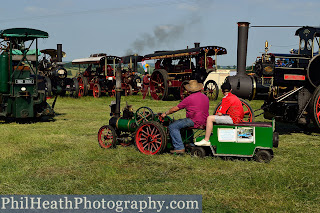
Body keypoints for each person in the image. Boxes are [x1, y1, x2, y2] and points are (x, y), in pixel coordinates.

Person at [161, 80, 209, 153]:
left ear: (189, 90)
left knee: (173, 126)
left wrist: (165, 113)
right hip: (205, 121)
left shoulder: (189, 98)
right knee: (184, 123)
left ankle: (179, 147)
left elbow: (175, 109)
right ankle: (190, 143)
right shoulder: (205, 97)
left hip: (194, 120)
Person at [195, 81, 244, 146]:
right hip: (238, 118)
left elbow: (220, 113)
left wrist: (216, 115)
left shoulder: (226, 98)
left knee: (210, 118)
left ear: (222, 91)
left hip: (233, 119)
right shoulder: (234, 96)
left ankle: (206, 140)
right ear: (231, 90)